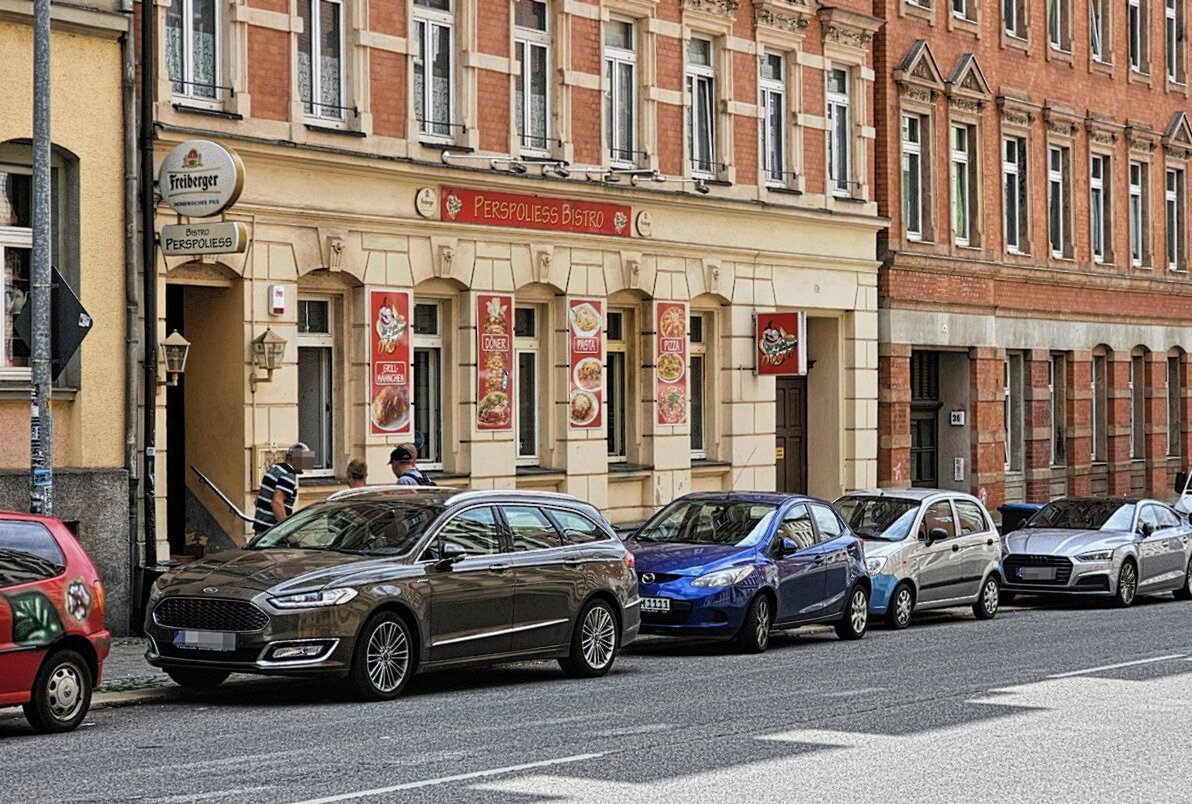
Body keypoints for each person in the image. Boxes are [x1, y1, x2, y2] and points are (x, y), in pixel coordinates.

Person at [254, 443, 313, 534]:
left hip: (260, 527)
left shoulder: (274, 469)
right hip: (272, 530)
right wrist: (285, 529)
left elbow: (258, 500)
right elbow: (277, 503)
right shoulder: (288, 475)